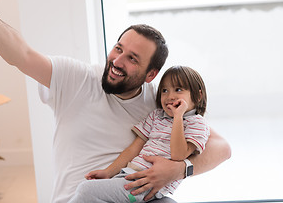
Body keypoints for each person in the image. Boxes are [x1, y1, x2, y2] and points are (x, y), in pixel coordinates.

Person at [0, 0, 231, 203]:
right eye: (118, 48)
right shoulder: (76, 78)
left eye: (133, 59)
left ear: (150, 75)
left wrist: (181, 169)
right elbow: (22, 55)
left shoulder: (160, 104)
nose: (118, 61)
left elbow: (222, 148)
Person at [68, 66, 210, 203]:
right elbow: (133, 149)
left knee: (86, 190)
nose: (170, 96)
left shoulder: (197, 123)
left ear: (198, 95)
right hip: (127, 175)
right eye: (165, 90)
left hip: (146, 186)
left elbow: (178, 155)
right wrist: (108, 172)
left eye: (178, 90)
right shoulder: (156, 116)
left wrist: (178, 117)